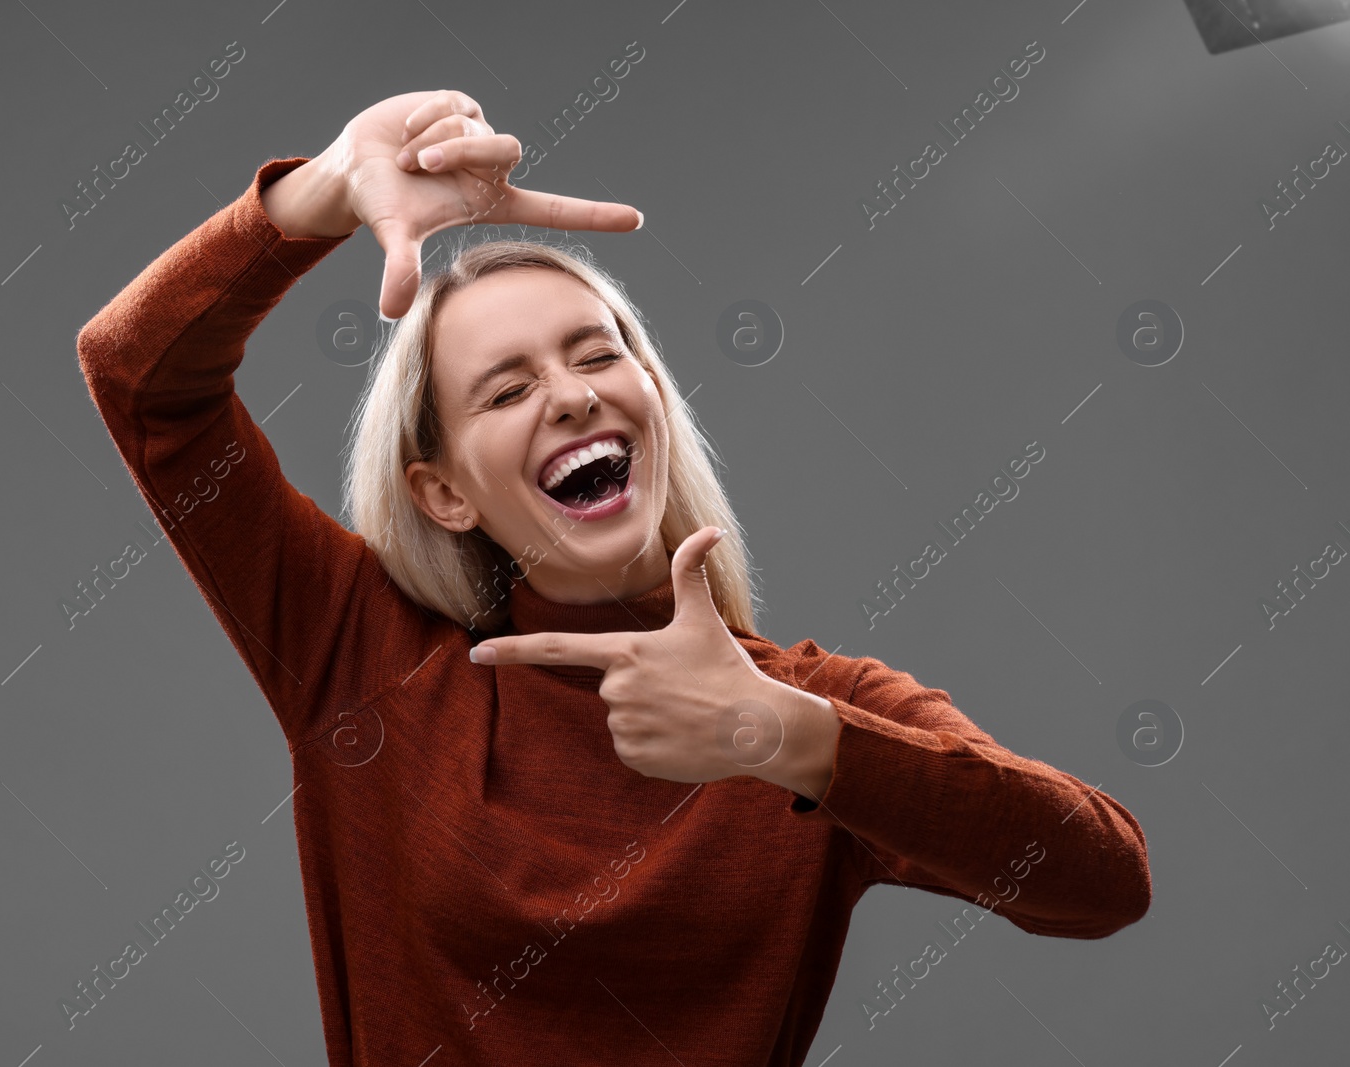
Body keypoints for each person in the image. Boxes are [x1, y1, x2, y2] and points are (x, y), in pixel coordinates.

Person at [75, 88, 1151, 1065]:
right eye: (504, 390)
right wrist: (318, 196)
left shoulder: (806, 708)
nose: (571, 395)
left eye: (596, 355)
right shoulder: (361, 661)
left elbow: (1100, 880)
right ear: (443, 491)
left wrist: (787, 739)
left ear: (651, 399)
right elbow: (139, 377)